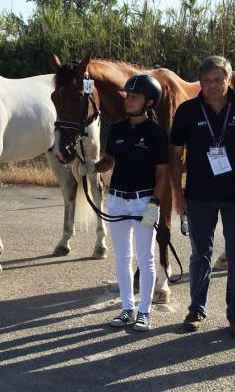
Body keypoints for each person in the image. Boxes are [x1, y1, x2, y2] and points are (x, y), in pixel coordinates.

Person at [169, 56, 235, 338]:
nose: (212, 85)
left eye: (218, 79)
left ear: (229, 79)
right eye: (206, 80)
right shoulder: (187, 110)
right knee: (200, 255)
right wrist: (177, 193)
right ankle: (196, 309)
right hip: (199, 195)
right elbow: (175, 156)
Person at [83, 75, 168, 331]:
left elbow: (162, 174)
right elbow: (109, 161)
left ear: (149, 102)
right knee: (122, 258)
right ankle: (127, 308)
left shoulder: (155, 133)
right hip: (117, 200)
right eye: (127, 95)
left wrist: (155, 204)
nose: (128, 100)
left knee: (146, 258)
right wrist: (91, 167)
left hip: (144, 200)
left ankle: (144, 311)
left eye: (134, 97)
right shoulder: (118, 129)